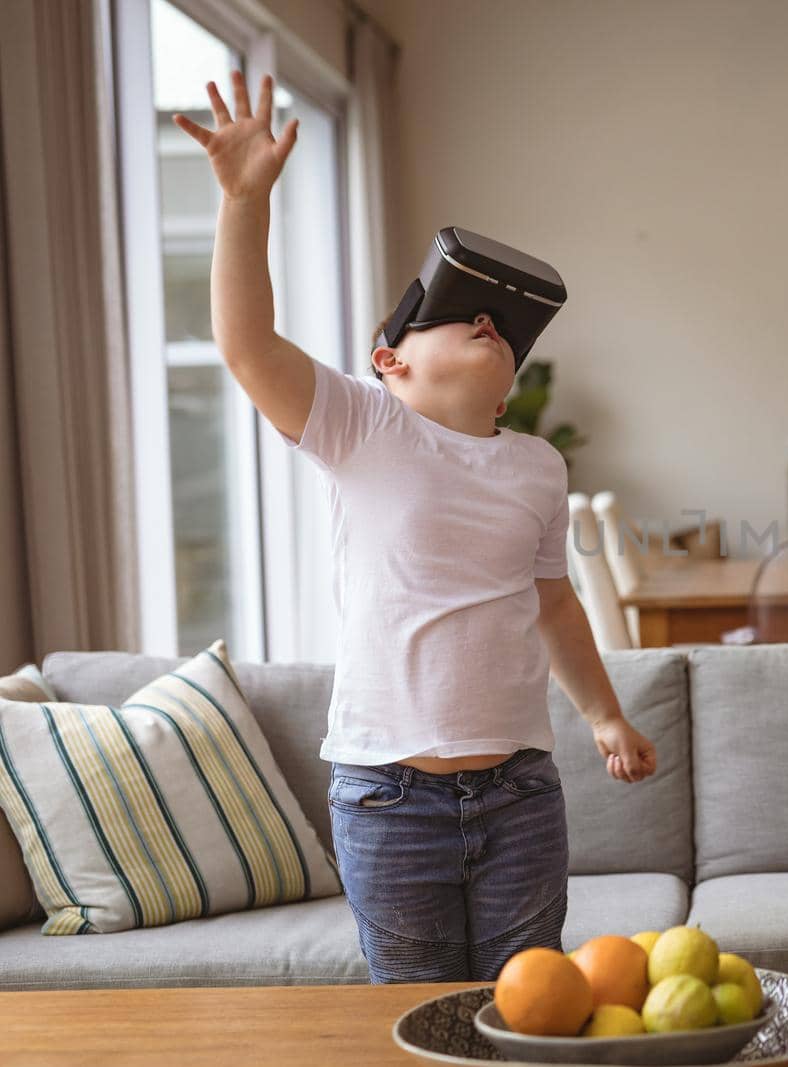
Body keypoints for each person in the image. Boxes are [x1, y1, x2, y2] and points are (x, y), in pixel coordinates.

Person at [174, 71, 658, 982]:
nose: (487, 325)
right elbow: (246, 346)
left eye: (501, 328)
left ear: (512, 385)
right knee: (415, 1016)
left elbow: (554, 606)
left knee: (528, 1007)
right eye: (457, 318)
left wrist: (603, 714)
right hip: (388, 796)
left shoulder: (538, 466)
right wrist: (245, 202)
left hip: (520, 790)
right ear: (389, 359)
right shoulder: (362, 424)